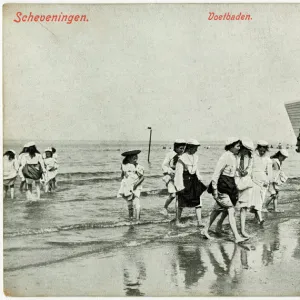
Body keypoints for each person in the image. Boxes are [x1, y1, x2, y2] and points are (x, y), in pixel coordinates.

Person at [202, 137, 247, 243]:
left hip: (229, 185)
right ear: (231, 146)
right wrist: (214, 190)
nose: (239, 148)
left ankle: (205, 230)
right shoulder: (225, 157)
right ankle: (237, 237)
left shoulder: (233, 156)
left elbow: (233, 172)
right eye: (237, 146)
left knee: (216, 210)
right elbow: (216, 174)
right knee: (231, 210)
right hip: (222, 185)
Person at [174, 139, 206, 227]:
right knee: (181, 202)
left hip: (194, 180)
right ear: (189, 148)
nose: (196, 150)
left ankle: (199, 221)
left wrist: (199, 177)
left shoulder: (195, 157)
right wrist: (179, 186)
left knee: (198, 201)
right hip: (185, 181)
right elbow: (178, 173)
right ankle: (177, 221)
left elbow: (196, 169)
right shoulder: (182, 158)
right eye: (195, 148)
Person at [248, 140, 273, 224]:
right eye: (261, 150)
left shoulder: (267, 159)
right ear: (257, 148)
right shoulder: (253, 157)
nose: (262, 152)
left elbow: (270, 172)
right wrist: (249, 178)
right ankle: (260, 219)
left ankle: (256, 218)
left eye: (264, 151)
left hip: (264, 181)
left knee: (261, 199)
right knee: (257, 199)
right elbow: (250, 168)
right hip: (254, 180)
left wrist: (269, 182)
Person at [235, 138, 254, 238]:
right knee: (226, 207)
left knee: (244, 207)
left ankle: (242, 230)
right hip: (234, 181)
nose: (246, 151)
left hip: (246, 182)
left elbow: (251, 168)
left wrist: (246, 172)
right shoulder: (234, 155)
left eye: (248, 150)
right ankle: (219, 225)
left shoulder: (250, 157)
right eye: (245, 149)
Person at [117, 150, 144, 222]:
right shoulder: (124, 165)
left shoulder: (138, 167)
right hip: (127, 186)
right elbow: (122, 174)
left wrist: (136, 185)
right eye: (133, 157)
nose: (135, 158)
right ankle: (131, 219)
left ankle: (138, 219)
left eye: (136, 157)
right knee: (129, 203)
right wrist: (123, 181)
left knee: (137, 202)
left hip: (136, 186)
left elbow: (142, 178)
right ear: (128, 158)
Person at [161, 139, 186, 216]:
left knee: (179, 196)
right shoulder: (170, 154)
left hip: (180, 178)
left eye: (183, 148)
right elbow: (164, 165)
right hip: (171, 177)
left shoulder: (184, 156)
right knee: (173, 195)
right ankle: (165, 207)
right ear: (176, 148)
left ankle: (178, 215)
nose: (182, 150)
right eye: (181, 148)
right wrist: (169, 171)